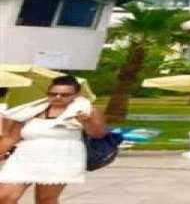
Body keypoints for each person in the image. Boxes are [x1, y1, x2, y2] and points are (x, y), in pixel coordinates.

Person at [0, 76, 110, 204]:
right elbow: (11, 138)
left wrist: (86, 122)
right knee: (4, 197)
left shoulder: (86, 110)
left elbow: (98, 134)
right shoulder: (28, 111)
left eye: (65, 95)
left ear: (76, 95)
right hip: (25, 157)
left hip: (61, 158)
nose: (58, 97)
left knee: (45, 199)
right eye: (53, 94)